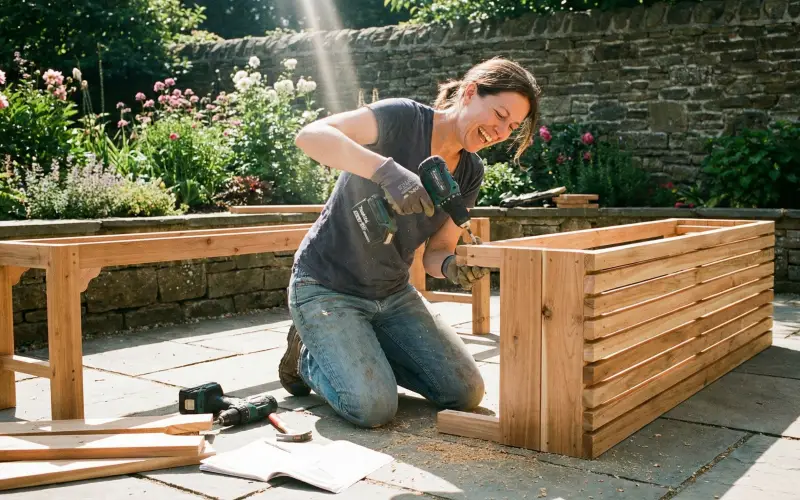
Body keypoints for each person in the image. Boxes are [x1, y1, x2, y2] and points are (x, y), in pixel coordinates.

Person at [278, 57, 541, 428]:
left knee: (465, 391)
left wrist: (451, 266)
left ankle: (359, 349)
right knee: (373, 408)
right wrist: (387, 172)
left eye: (511, 127)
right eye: (499, 114)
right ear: (470, 92)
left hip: (393, 294)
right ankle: (307, 354)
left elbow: (437, 251)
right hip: (325, 285)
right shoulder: (402, 119)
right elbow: (310, 136)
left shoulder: (470, 171)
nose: (500, 131)